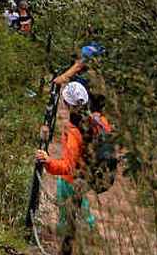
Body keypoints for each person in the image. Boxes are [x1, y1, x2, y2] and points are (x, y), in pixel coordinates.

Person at [35, 81, 112, 254]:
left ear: (66, 103)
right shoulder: (99, 120)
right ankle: (87, 234)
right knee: (81, 205)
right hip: (88, 176)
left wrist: (48, 161)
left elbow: (68, 167)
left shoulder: (74, 131)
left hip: (72, 179)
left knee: (68, 210)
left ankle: (70, 241)